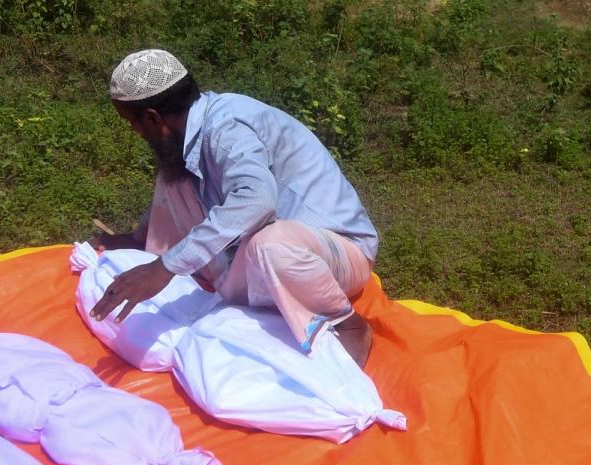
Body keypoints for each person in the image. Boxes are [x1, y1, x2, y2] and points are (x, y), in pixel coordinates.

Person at [90, 49, 380, 367]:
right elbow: (181, 194)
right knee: (172, 173)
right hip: (268, 256)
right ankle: (144, 243)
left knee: (269, 245)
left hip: (334, 252)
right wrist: (145, 244)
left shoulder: (226, 128)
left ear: (152, 118)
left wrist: (164, 268)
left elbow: (258, 199)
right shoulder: (191, 132)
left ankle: (346, 324)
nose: (136, 133)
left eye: (131, 122)